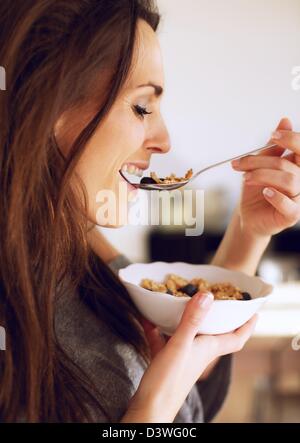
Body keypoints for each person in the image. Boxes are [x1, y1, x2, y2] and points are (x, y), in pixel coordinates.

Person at [0, 0, 299, 423]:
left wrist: (249, 229)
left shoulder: (85, 242)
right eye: (142, 107)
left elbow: (186, 391)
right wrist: (150, 410)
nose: (164, 140)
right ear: (46, 101)